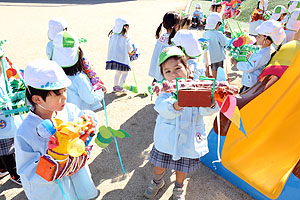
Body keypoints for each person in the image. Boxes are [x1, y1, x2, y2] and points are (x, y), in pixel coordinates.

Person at [15, 59, 99, 200]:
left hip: (77, 177)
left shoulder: (70, 111)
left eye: (65, 91)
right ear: (37, 99)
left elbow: (87, 133)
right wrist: (55, 158)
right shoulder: (25, 133)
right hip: (52, 191)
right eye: (58, 94)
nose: (64, 97)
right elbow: (27, 170)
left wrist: (88, 127)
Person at [144, 47, 218, 200]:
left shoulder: (197, 87)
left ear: (187, 68)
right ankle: (157, 181)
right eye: (168, 71)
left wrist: (209, 103)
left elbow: (205, 112)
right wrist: (176, 105)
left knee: (181, 169)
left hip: (188, 139)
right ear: (163, 75)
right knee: (159, 166)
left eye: (177, 68)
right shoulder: (165, 90)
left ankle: (179, 188)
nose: (173, 74)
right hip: (167, 138)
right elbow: (161, 107)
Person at [52, 31, 104, 112]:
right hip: (79, 119)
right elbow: (90, 98)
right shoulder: (79, 78)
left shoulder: (54, 76)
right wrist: (100, 92)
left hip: (62, 117)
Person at [233, 20, 286, 93]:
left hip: (250, 82)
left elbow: (250, 67)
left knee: (244, 96)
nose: (256, 38)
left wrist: (237, 64)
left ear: (267, 41)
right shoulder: (265, 49)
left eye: (259, 36)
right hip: (251, 80)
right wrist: (251, 57)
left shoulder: (263, 54)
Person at [0, 50, 22, 185]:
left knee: (9, 146)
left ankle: (3, 168)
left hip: (8, 118)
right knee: (6, 150)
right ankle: (14, 174)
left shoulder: (4, 72)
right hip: (2, 122)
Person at [148, 11, 181, 82]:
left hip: (158, 74)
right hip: (167, 76)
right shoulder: (174, 41)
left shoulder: (162, 38)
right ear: (176, 25)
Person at [105, 17, 136, 92]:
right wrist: (133, 51)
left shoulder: (113, 36)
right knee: (125, 73)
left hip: (114, 58)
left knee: (118, 72)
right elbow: (129, 48)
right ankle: (121, 86)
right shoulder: (126, 37)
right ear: (125, 27)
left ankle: (115, 86)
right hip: (123, 58)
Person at [203, 12, 228, 79]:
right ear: (217, 24)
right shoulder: (218, 34)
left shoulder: (205, 33)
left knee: (211, 72)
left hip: (209, 58)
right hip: (218, 58)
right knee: (219, 74)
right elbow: (225, 43)